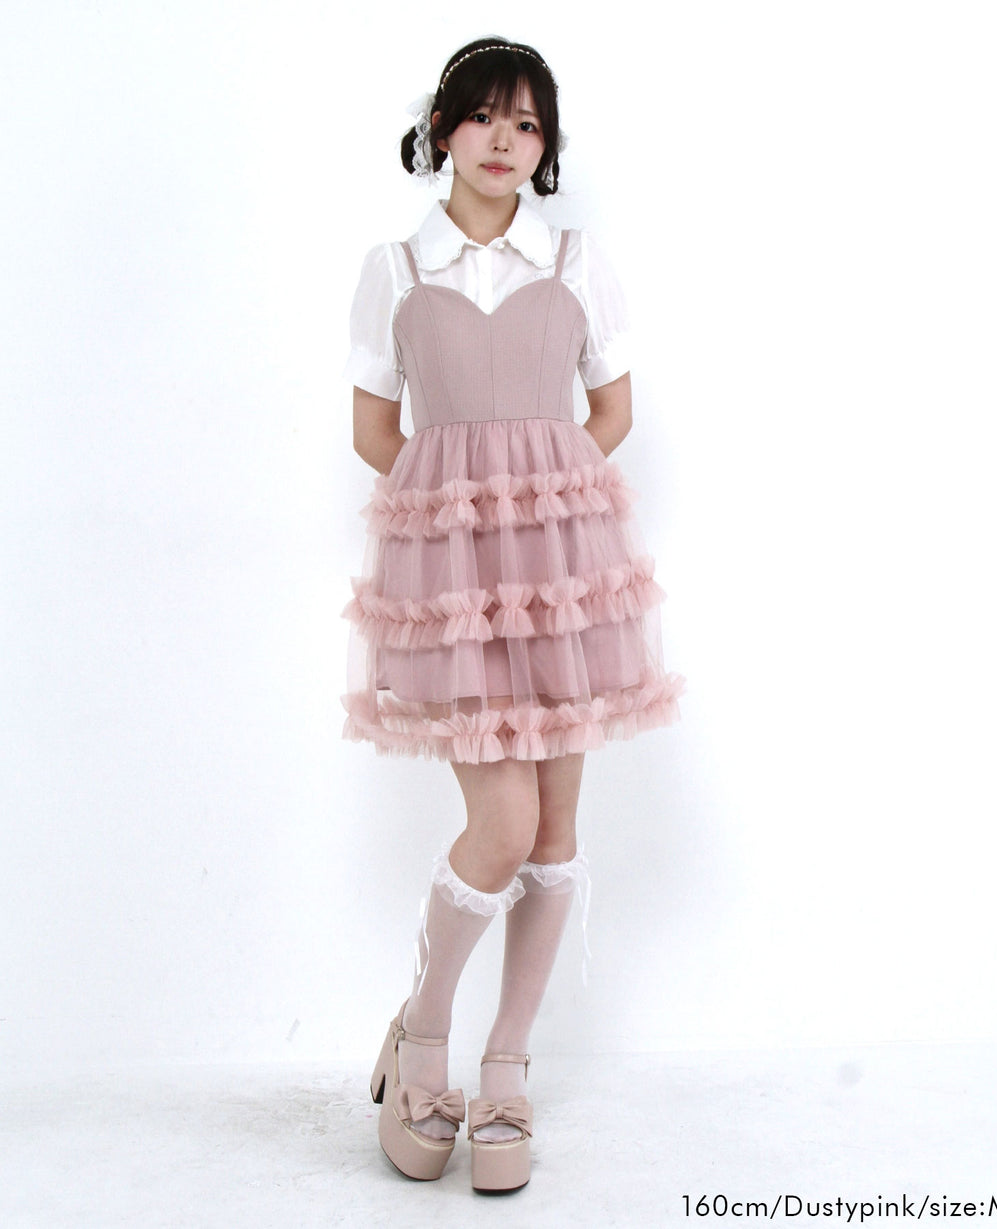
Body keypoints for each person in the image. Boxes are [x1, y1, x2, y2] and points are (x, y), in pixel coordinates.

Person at [342, 36, 683, 1192]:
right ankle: (422, 1032)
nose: (505, 140)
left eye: (527, 123)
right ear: (442, 129)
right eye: (485, 116)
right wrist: (460, 524)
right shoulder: (397, 269)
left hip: (563, 580)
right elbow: (375, 433)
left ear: (545, 147)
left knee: (550, 831)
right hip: (454, 590)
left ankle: (504, 1069)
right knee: (499, 818)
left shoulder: (575, 260)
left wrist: (543, 513)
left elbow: (610, 410)